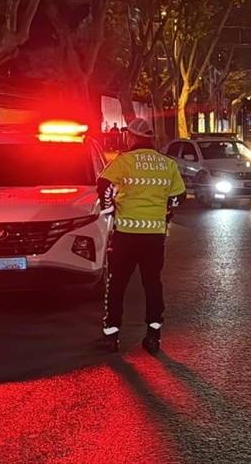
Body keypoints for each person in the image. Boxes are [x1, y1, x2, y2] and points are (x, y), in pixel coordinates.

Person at [96, 118, 185, 354]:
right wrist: (165, 210)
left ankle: (112, 335)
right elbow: (178, 197)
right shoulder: (167, 164)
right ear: (151, 139)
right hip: (154, 236)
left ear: (132, 137)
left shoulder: (124, 161)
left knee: (117, 284)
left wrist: (109, 209)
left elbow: (103, 184)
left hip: (125, 234)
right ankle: (154, 336)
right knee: (152, 284)